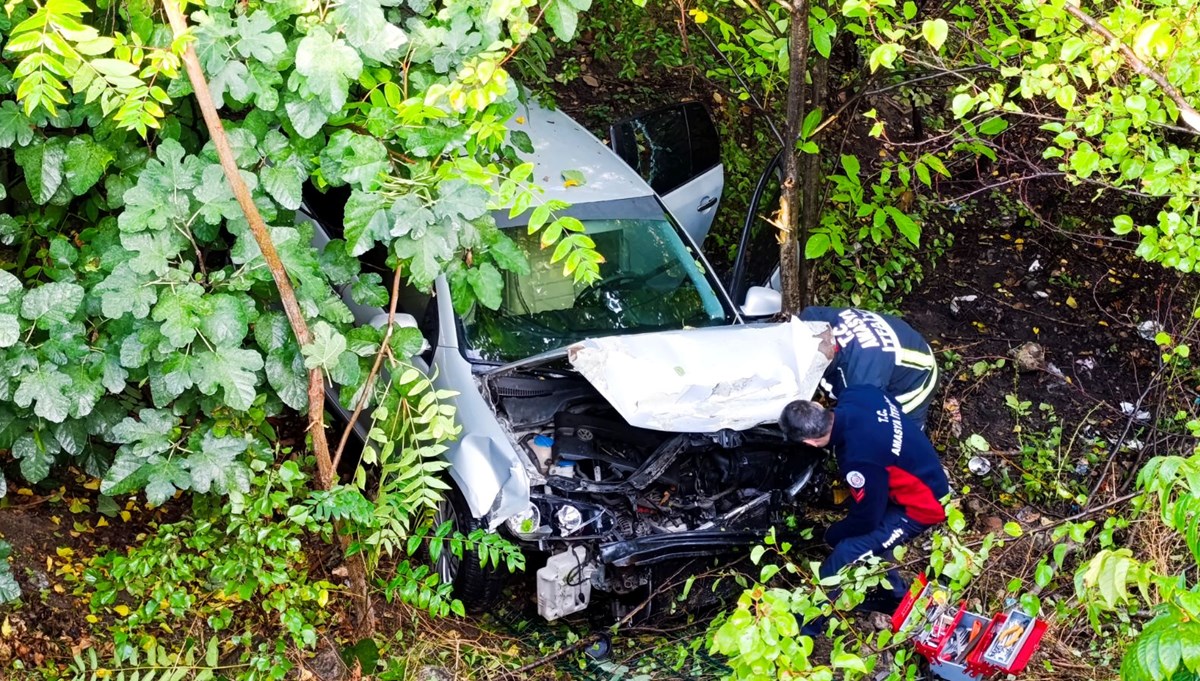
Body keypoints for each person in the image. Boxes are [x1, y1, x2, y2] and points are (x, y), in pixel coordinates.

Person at [780, 385, 950, 636]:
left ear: (810, 442)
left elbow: (868, 519)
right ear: (818, 406)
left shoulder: (858, 459)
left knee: (847, 551)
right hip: (918, 471)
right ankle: (895, 595)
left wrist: (832, 534)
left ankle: (803, 628)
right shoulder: (859, 393)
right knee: (875, 542)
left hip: (923, 505)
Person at [800, 306, 938, 429]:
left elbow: (865, 418)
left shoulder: (860, 380)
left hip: (918, 379)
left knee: (896, 435)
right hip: (898, 342)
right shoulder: (812, 318)